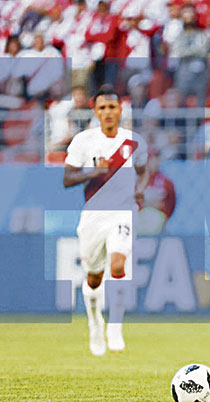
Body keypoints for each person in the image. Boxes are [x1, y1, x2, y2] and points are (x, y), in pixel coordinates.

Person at [63, 84, 149, 356]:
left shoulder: (134, 141)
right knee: (93, 278)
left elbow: (144, 171)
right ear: (95, 111)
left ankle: (116, 325)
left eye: (112, 107)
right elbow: (67, 179)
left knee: (118, 264)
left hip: (122, 213)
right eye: (102, 107)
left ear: (120, 109)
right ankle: (94, 322)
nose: (108, 112)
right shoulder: (83, 141)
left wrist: (140, 190)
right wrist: (93, 172)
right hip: (93, 216)